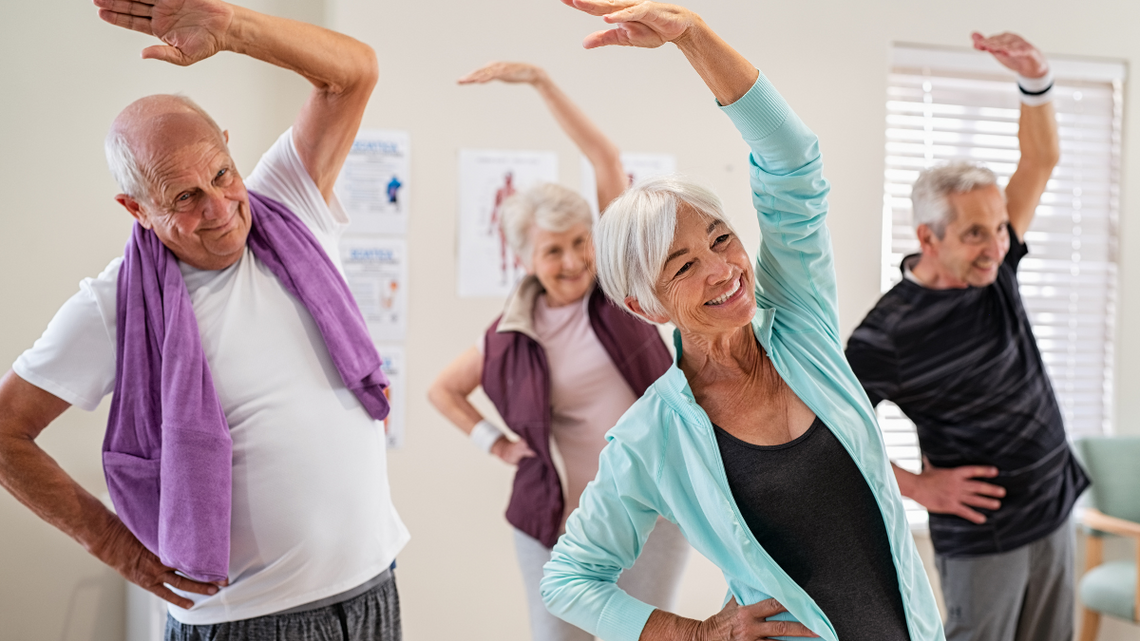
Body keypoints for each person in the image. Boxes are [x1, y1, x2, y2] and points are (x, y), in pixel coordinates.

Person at [0, 0, 409, 639]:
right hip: (248, 622)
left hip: (372, 591)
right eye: (184, 197)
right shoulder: (114, 305)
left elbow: (353, 73)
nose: (220, 208)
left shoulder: (289, 205)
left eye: (223, 174)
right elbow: (6, 431)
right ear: (135, 208)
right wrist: (114, 545)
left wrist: (232, 28)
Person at [540, 2, 945, 641]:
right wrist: (699, 634)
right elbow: (568, 579)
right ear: (645, 306)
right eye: (682, 267)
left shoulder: (800, 323)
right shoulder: (652, 434)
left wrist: (692, 36)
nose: (722, 269)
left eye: (721, 238)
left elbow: (793, 161)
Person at [429, 60, 690, 641]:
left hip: (652, 511)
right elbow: (441, 390)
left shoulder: (620, 292)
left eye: (580, 243)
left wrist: (542, 83)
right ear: (524, 258)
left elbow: (604, 160)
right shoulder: (509, 335)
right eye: (554, 251)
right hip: (557, 523)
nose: (572, 261)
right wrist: (493, 442)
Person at [845, 32, 1088, 641]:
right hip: (985, 537)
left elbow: (1040, 162)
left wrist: (1036, 78)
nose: (998, 246)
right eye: (977, 234)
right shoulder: (886, 334)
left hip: (1054, 507)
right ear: (929, 238)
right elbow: (830, 435)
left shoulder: (995, 266)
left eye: (1000, 228)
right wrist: (918, 487)